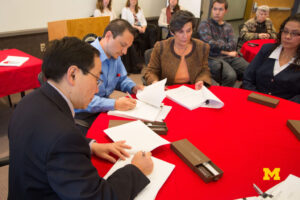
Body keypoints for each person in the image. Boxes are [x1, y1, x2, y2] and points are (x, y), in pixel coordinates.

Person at [8, 37, 153, 199]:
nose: (98, 87)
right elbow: (97, 197)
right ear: (73, 74)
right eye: (97, 78)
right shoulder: (64, 136)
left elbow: (48, 145)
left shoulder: (29, 101)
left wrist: (90, 145)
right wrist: (136, 170)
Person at [75, 19, 144, 126]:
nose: (124, 52)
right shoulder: (85, 56)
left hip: (105, 108)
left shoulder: (115, 54)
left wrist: (132, 87)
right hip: (84, 115)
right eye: (122, 45)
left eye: (128, 48)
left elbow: (121, 79)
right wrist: (114, 103)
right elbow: (82, 100)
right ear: (108, 36)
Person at [143, 10, 212, 88]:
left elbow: (204, 70)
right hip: (168, 90)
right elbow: (151, 72)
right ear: (172, 32)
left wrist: (201, 80)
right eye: (180, 32)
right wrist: (155, 83)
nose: (185, 36)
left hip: (192, 89)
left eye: (188, 31)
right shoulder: (161, 47)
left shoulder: (202, 47)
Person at [243, 14, 300, 104]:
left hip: (285, 110)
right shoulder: (267, 50)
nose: (287, 36)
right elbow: (248, 78)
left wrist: (282, 107)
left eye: (295, 33)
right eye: (285, 31)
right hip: (254, 102)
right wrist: (256, 98)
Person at [198, 0, 249, 87]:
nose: (217, 12)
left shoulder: (228, 26)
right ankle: (222, 97)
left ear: (226, 11)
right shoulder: (205, 24)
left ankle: (242, 93)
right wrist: (227, 51)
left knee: (250, 70)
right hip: (212, 58)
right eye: (215, 9)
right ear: (212, 10)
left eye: (220, 9)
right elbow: (210, 45)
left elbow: (233, 44)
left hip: (229, 56)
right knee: (231, 76)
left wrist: (224, 50)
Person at [121, 0, 158, 73]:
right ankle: (137, 63)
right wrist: (137, 28)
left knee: (152, 29)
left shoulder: (139, 9)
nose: (134, 1)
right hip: (132, 29)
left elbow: (144, 21)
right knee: (136, 32)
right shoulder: (125, 9)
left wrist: (143, 27)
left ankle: (153, 54)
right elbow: (125, 23)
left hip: (141, 28)